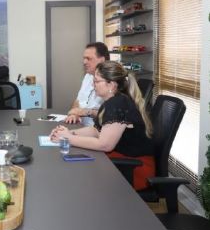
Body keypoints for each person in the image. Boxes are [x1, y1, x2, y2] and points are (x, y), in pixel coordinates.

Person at [51, 61, 154, 190]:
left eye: (97, 81)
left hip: (135, 168)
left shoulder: (117, 104)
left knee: (81, 178)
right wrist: (70, 133)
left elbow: (105, 144)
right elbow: (96, 131)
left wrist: (67, 139)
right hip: (123, 158)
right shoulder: (111, 101)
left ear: (111, 84)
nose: (93, 85)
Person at [64, 42, 110, 126]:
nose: (84, 62)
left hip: (98, 129)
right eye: (84, 58)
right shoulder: (88, 76)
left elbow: (111, 115)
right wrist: (74, 114)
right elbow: (77, 101)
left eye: (88, 58)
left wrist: (86, 112)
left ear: (102, 60)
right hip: (81, 125)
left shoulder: (111, 81)